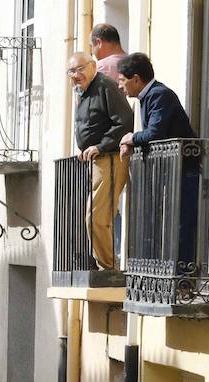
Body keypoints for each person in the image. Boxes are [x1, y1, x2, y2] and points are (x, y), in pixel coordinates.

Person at [115, 52, 199, 268]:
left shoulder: (159, 94)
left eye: (122, 80)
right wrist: (132, 142)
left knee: (182, 224)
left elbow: (155, 133)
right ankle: (173, 272)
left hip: (184, 167)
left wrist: (131, 138)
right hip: (172, 168)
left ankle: (183, 276)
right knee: (170, 223)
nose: (120, 86)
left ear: (136, 78)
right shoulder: (149, 96)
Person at [68, 51, 134, 271]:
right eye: (71, 71)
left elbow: (124, 122)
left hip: (111, 159)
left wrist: (100, 146)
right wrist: (86, 148)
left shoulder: (105, 86)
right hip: (98, 161)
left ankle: (109, 268)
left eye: (79, 69)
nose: (75, 75)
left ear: (93, 66)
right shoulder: (84, 92)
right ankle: (108, 265)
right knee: (98, 217)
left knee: (96, 217)